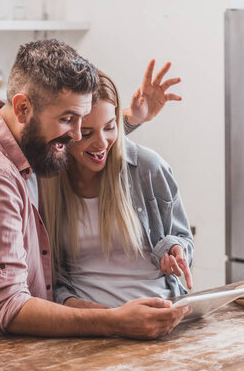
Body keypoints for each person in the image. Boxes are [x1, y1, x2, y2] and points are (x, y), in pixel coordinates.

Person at [0, 39, 190, 351]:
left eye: (81, 122)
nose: (75, 135)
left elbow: (78, 144)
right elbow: (9, 308)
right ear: (22, 107)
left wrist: (128, 119)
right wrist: (116, 321)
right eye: (69, 120)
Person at [39, 70, 193, 309]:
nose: (101, 143)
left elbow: (183, 239)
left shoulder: (148, 167)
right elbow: (52, 276)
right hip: (87, 323)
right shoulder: (46, 183)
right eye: (87, 133)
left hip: (160, 311)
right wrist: (103, 318)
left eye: (110, 127)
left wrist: (176, 251)